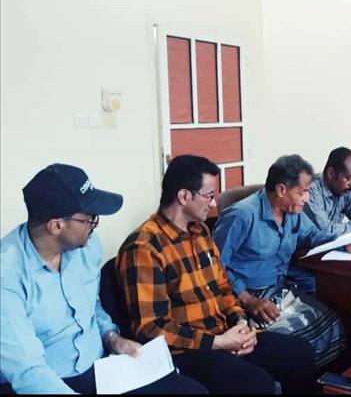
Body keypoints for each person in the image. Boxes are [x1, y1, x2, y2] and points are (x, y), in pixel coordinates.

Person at [116, 155, 316, 394]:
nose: (212, 204)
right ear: (184, 196)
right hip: (187, 350)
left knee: (300, 354)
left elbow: (223, 287)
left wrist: (241, 323)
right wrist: (218, 342)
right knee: (257, 384)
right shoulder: (144, 247)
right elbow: (151, 327)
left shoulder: (200, 232)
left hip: (222, 332)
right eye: (208, 196)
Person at [0, 164, 205, 394]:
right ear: (56, 226)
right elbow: (27, 372)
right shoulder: (7, 276)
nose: (94, 227)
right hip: (45, 382)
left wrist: (112, 338)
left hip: (100, 370)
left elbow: (92, 306)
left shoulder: (86, 248)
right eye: (89, 219)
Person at [214, 154, 351, 368]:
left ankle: (324, 381)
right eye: (302, 192)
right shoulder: (241, 216)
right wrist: (247, 300)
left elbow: (311, 235)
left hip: (279, 290)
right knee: (295, 346)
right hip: (245, 298)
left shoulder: (293, 212)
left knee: (334, 324)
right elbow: (214, 267)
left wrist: (344, 242)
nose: (306, 198)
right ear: (281, 189)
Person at [303, 146, 351, 236]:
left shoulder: (347, 190)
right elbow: (325, 231)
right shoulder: (310, 189)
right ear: (331, 173)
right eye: (348, 178)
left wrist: (343, 229)